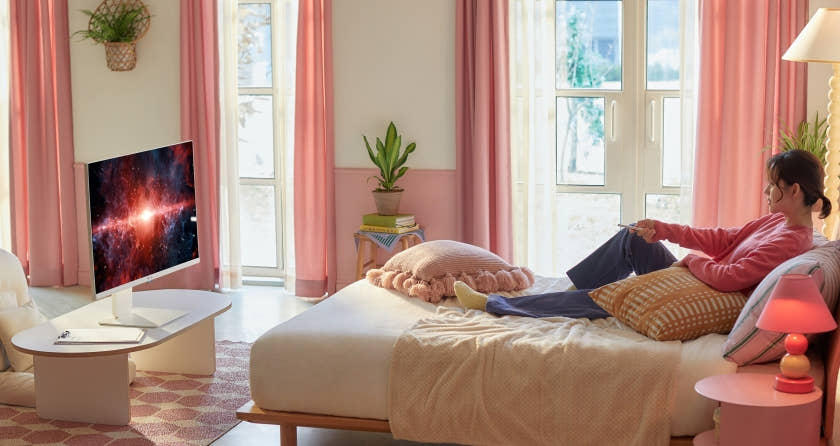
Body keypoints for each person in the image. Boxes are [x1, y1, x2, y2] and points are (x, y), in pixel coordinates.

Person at [455, 149, 832, 318]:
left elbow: (732, 278)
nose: (766, 191)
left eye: (773, 185)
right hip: (700, 281)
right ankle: (568, 293)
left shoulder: (790, 240)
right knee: (635, 236)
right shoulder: (777, 222)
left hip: (707, 293)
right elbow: (723, 240)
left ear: (794, 190)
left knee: (612, 298)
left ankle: (497, 305)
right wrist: (663, 230)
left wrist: (690, 263)